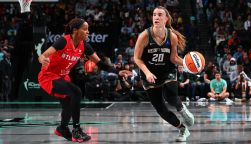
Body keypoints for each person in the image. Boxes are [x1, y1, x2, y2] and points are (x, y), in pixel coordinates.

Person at [38, 18, 132, 142]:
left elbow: (101, 64)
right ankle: (76, 130)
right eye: (85, 29)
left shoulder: (85, 46)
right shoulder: (63, 41)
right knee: (76, 92)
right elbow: (43, 55)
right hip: (48, 76)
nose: (88, 32)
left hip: (62, 77)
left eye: (88, 29)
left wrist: (118, 72)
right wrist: (42, 59)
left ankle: (62, 128)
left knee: (67, 107)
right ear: (75, 30)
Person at [134, 6, 194, 142]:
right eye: (154, 14)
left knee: (170, 95)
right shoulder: (144, 36)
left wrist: (187, 64)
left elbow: (173, 58)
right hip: (149, 74)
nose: (156, 17)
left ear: (166, 19)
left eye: (160, 15)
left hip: (167, 70)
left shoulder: (171, 36)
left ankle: (182, 110)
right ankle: (183, 129)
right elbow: (137, 58)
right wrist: (148, 73)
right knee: (160, 109)